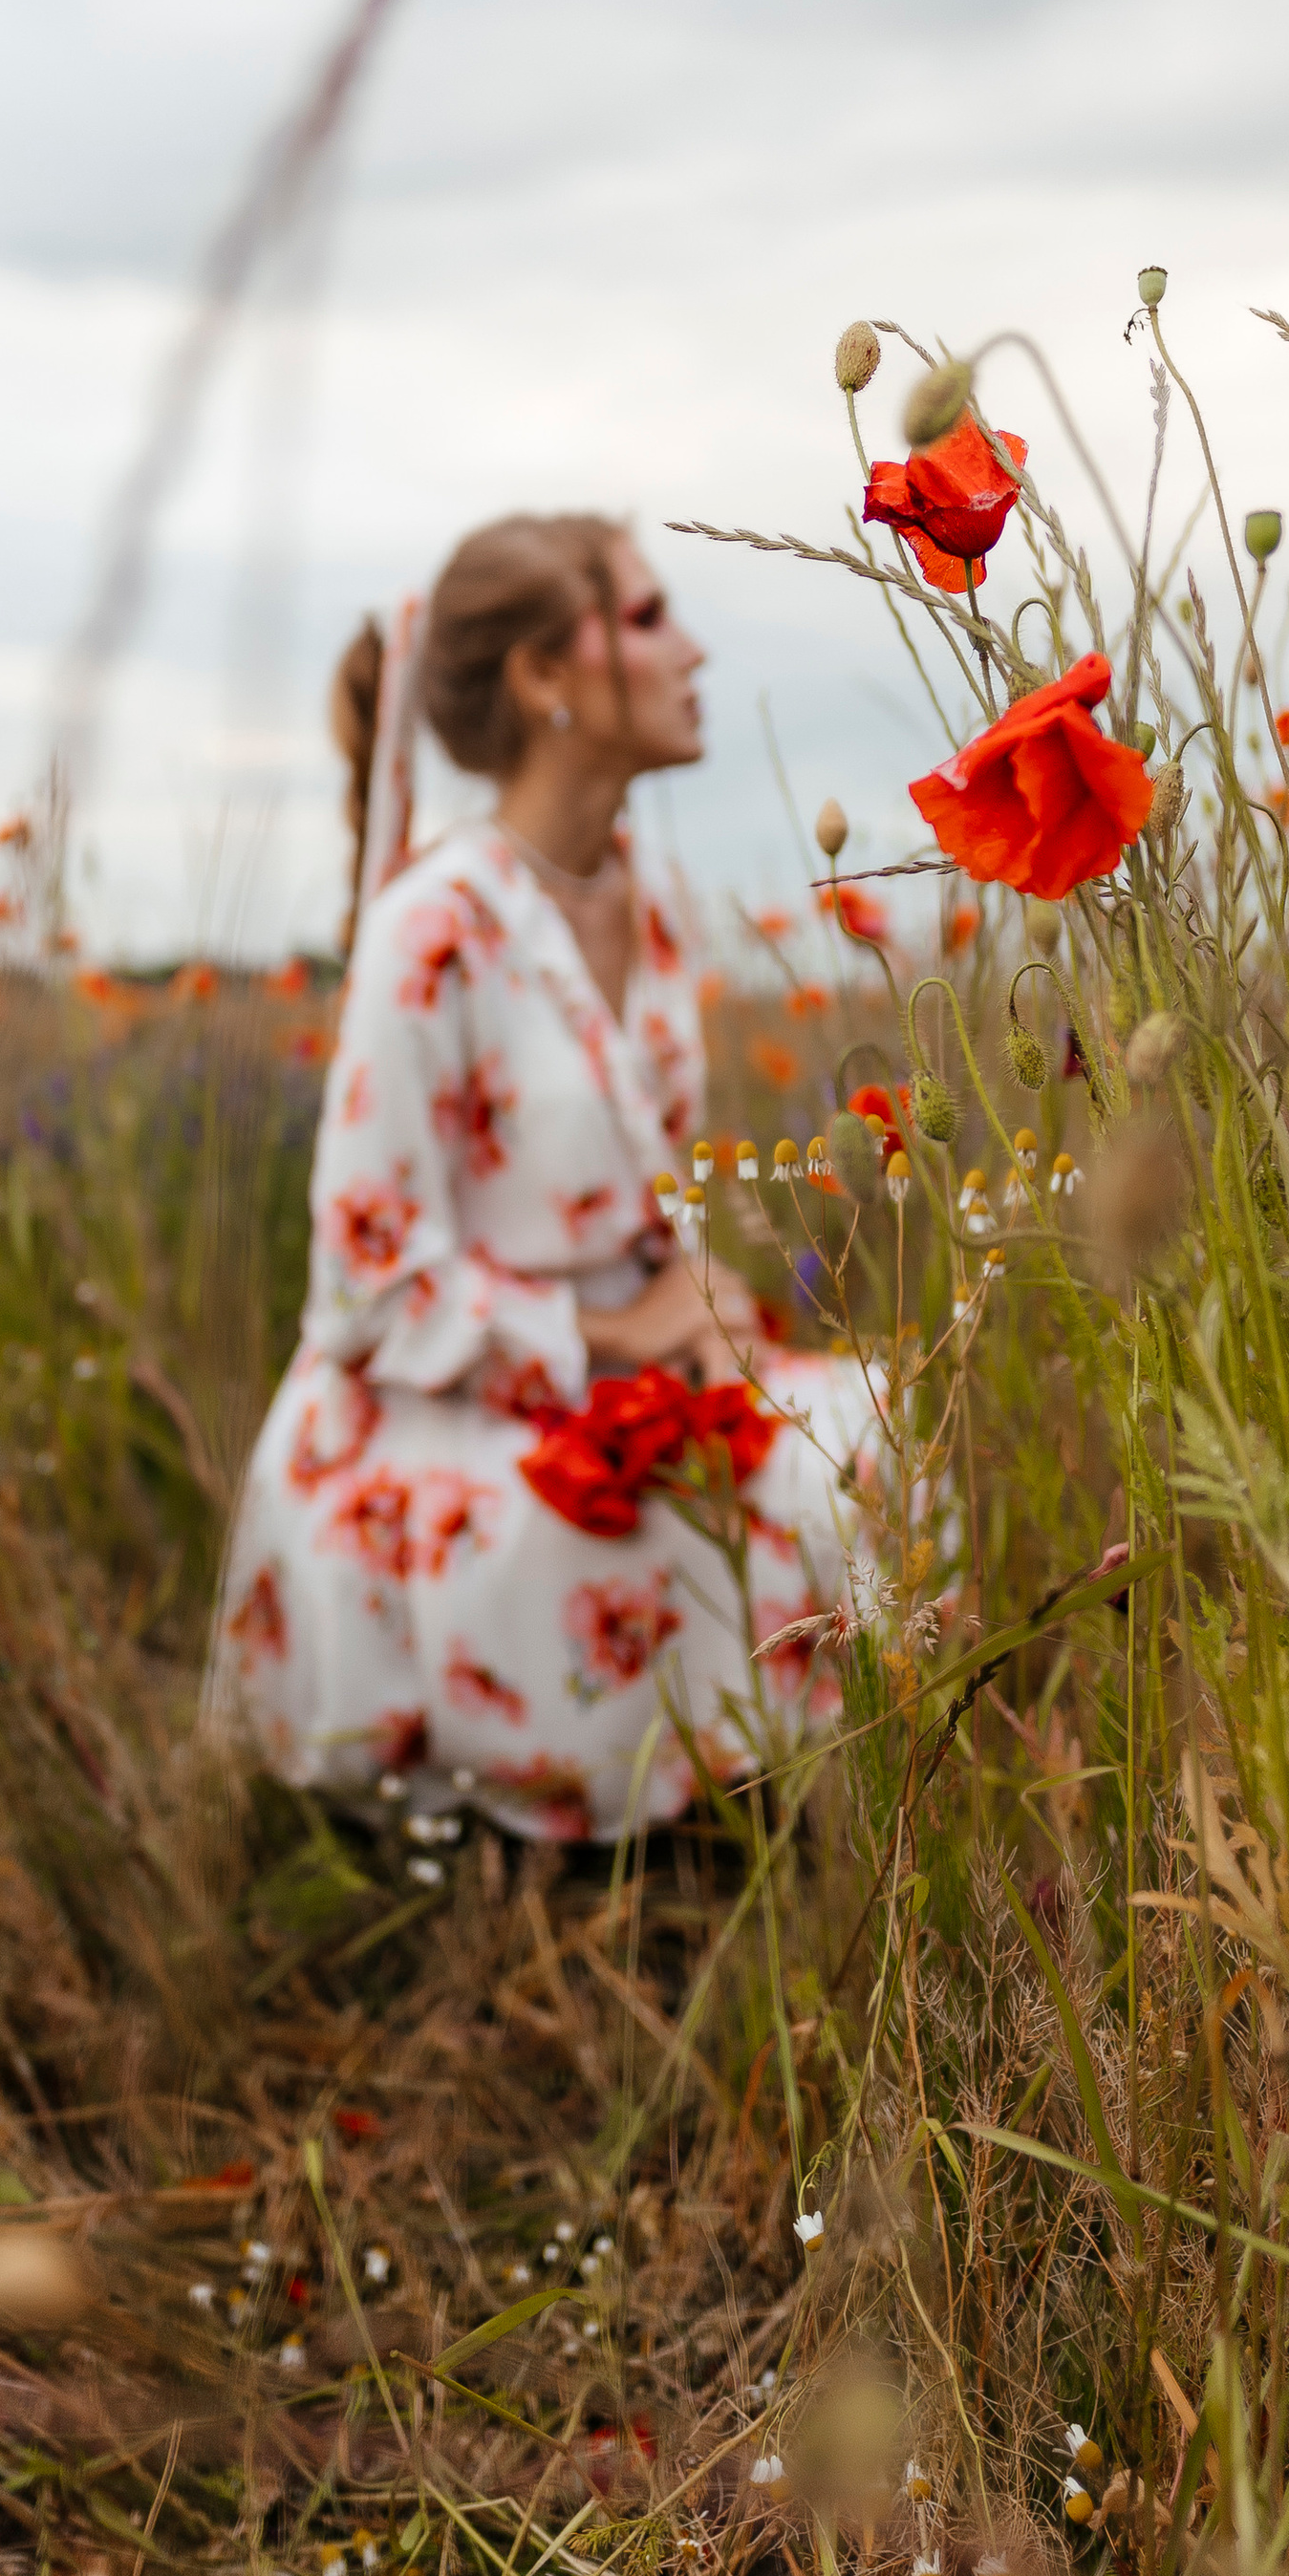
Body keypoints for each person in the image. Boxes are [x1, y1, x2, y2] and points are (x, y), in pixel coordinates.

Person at [208, 510, 878, 1843]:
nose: (689, 652)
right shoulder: (433, 923)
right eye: (643, 618)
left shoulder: (653, 897)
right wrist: (612, 1333)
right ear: (542, 676)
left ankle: (787, 1829)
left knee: (872, 1436)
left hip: (619, 1358)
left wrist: (697, 1304)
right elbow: (364, 1282)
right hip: (439, 1398)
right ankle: (595, 1855)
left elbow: (639, 1198)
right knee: (653, 1518)